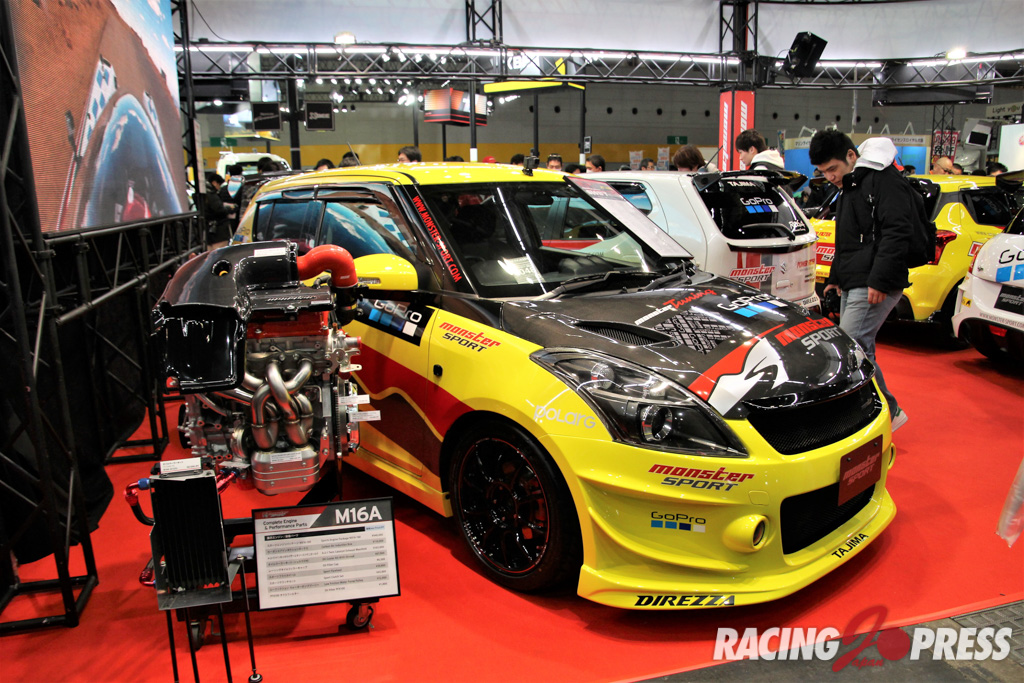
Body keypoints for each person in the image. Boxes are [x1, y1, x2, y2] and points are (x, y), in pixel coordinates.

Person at [809, 130, 913, 431]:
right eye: (823, 172)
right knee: (859, 349)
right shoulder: (851, 186)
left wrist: (879, 280)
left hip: (875, 282)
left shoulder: (882, 179)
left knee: (850, 350)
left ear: (851, 156)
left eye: (833, 169)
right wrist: (835, 278)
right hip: (856, 280)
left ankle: (886, 413)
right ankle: (882, 413)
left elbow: (897, 231)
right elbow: (847, 241)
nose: (829, 177)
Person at [204, 173, 235, 249]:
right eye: (219, 185)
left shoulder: (204, 193)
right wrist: (230, 208)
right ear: (214, 183)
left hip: (208, 232)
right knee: (220, 251)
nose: (219, 188)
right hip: (218, 232)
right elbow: (219, 209)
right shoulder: (211, 194)